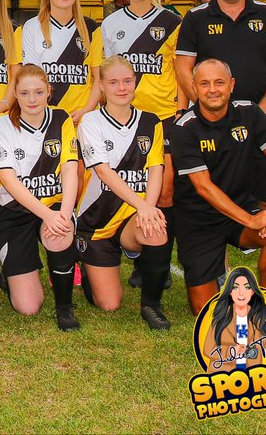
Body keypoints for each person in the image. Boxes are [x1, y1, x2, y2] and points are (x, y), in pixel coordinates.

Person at [175, 0, 266, 300]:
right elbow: (184, 68)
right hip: (209, 122)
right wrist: (208, 108)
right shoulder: (196, 17)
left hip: (257, 121)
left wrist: (253, 112)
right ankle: (220, 265)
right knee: (214, 186)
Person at [83, 0, 182, 292]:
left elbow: (180, 70)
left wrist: (181, 109)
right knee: (128, 183)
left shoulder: (172, 22)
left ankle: (157, 260)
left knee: (164, 188)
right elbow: (102, 73)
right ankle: (135, 250)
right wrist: (89, 110)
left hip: (163, 115)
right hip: (124, 119)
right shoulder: (110, 24)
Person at [172, 59, 266, 316]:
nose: (212, 89)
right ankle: (217, 276)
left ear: (231, 85)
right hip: (198, 221)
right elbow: (203, 187)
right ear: (194, 87)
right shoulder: (184, 129)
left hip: (240, 210)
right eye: (204, 84)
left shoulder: (250, 113)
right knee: (205, 311)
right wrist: (251, 220)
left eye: (219, 82)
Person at [75, 55, 171, 331]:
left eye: (127, 81)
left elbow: (156, 168)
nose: (121, 87)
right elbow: (104, 172)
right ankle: (83, 261)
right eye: (114, 82)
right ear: (101, 85)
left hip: (133, 217)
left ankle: (152, 305)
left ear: (135, 82)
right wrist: (144, 207)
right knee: (109, 303)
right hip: (98, 220)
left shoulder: (151, 121)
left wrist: (149, 209)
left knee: (156, 230)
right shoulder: (91, 122)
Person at [0, 64, 82, 331]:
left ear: (49, 92)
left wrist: (63, 213)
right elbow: (8, 180)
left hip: (53, 205)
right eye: (25, 93)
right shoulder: (1, 124)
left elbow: (70, 171)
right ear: (15, 93)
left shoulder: (61, 119)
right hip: (14, 212)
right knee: (28, 307)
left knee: (60, 232)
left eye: (38, 92)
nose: (32, 99)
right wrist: (47, 214)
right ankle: (18, 272)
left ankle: (64, 308)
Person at [15, 0, 100, 125]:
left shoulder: (92, 28)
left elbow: (98, 79)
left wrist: (85, 111)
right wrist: (44, 111)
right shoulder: (32, 27)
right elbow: (30, 78)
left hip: (82, 119)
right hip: (44, 117)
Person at [201, 267, 266, 373]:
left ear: (252, 291)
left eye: (247, 287)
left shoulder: (257, 316)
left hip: (252, 375)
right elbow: (208, 349)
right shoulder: (221, 316)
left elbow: (265, 344)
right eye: (236, 287)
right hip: (224, 376)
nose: (241, 293)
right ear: (230, 291)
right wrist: (231, 351)